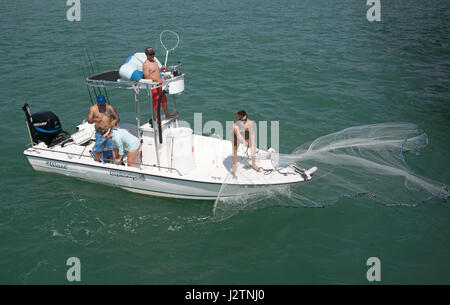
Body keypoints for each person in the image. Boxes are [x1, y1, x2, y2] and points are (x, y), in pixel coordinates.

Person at [143, 47, 178, 122]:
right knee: (156, 101)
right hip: (153, 85)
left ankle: (167, 114)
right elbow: (147, 76)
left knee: (164, 99)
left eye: (153, 54)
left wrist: (161, 69)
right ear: (146, 55)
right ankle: (157, 118)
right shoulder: (146, 65)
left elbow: (156, 71)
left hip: (159, 84)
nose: (152, 55)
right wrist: (157, 80)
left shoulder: (154, 61)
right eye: (150, 54)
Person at [87, 94, 120, 162]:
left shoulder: (110, 108)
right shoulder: (93, 109)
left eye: (102, 104)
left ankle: (116, 162)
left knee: (114, 148)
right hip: (100, 133)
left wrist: (112, 123)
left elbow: (117, 118)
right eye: (100, 104)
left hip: (110, 132)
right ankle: (96, 163)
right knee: (99, 150)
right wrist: (95, 120)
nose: (101, 106)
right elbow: (89, 121)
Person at [232, 110, 260, 174]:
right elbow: (238, 135)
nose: (244, 121)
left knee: (253, 146)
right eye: (242, 120)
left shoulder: (250, 123)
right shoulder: (235, 125)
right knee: (234, 149)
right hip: (238, 134)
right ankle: (235, 166)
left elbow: (252, 134)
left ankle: (253, 164)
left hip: (246, 132)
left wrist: (251, 143)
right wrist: (243, 141)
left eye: (245, 119)